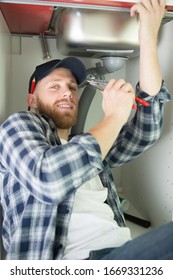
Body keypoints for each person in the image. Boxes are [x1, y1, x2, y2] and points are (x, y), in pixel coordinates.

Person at [0, 0, 172, 260]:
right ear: (32, 100)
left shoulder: (90, 145)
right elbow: (48, 180)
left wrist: (147, 36)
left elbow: (146, 131)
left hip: (120, 255)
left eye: (71, 87)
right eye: (55, 86)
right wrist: (114, 116)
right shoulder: (17, 126)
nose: (68, 93)